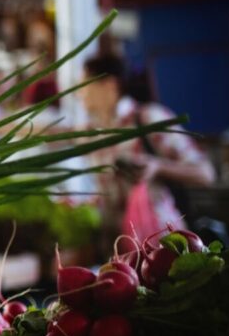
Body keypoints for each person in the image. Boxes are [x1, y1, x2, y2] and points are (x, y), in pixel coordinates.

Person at [79, 54, 214, 247]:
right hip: (118, 248)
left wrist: (158, 167)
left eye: (84, 85)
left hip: (162, 246)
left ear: (109, 85)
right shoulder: (93, 131)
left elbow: (205, 173)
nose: (80, 93)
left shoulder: (149, 118)